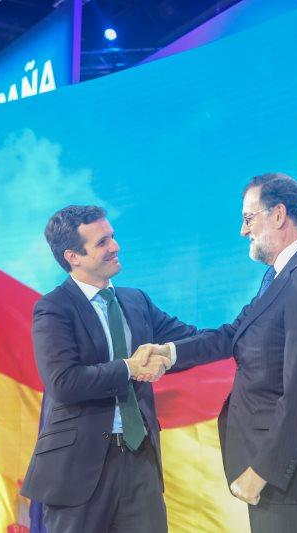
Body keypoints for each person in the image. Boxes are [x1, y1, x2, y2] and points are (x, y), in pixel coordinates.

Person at [147, 173, 297, 532]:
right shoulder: (281, 275)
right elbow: (233, 334)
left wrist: (264, 470)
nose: (243, 231)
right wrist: (169, 353)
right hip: (281, 478)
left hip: (293, 477)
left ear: (278, 215)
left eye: (248, 218)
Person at [20, 205, 198, 533]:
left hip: (140, 461)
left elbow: (192, 340)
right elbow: (64, 382)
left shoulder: (136, 301)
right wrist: (128, 368)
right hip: (78, 469)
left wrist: (247, 329)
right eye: (102, 242)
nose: (115, 246)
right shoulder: (53, 308)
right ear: (73, 256)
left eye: (112, 237)